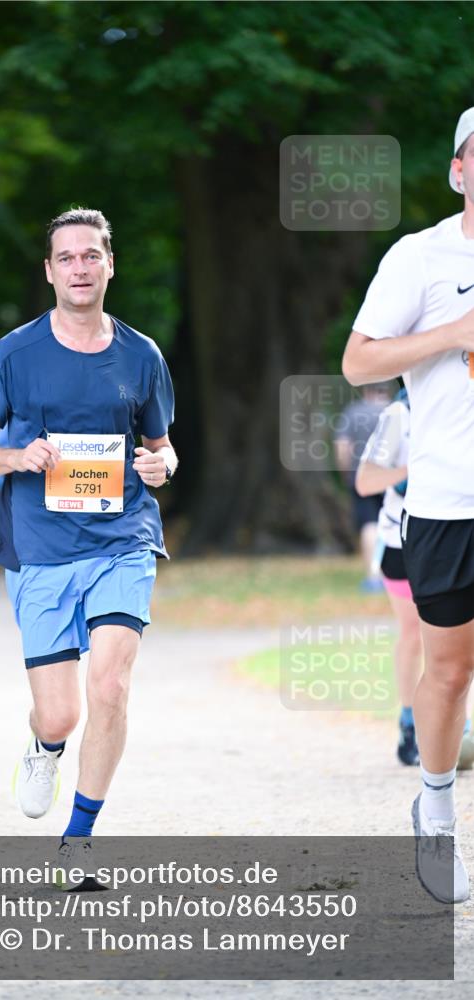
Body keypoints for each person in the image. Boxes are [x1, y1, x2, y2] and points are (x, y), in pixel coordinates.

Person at [0, 207, 177, 873]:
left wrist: (159, 467)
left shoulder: (141, 355)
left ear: (110, 264)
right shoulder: (16, 352)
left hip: (123, 538)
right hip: (42, 545)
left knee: (109, 684)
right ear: (49, 272)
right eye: (66, 258)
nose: (79, 267)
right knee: (59, 715)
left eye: (91, 255)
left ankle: (78, 841)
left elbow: (163, 450)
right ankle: (43, 748)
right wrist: (18, 456)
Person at [342, 107, 474, 904]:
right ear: (458, 170)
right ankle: (434, 808)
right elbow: (359, 362)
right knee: (449, 670)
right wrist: (453, 332)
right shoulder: (419, 256)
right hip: (448, 497)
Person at [356, 390, 474, 770]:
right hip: (401, 539)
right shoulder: (398, 415)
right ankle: (410, 724)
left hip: (459, 534)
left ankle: (458, 723)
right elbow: (365, 481)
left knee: (460, 647)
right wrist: (415, 471)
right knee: (415, 634)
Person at [334, 385, 390, 592]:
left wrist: (346, 473)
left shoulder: (353, 411)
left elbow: (342, 447)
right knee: (394, 523)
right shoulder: (396, 410)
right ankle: (399, 576)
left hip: (362, 477)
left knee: (369, 524)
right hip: (392, 478)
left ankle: (374, 576)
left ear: (366, 389)